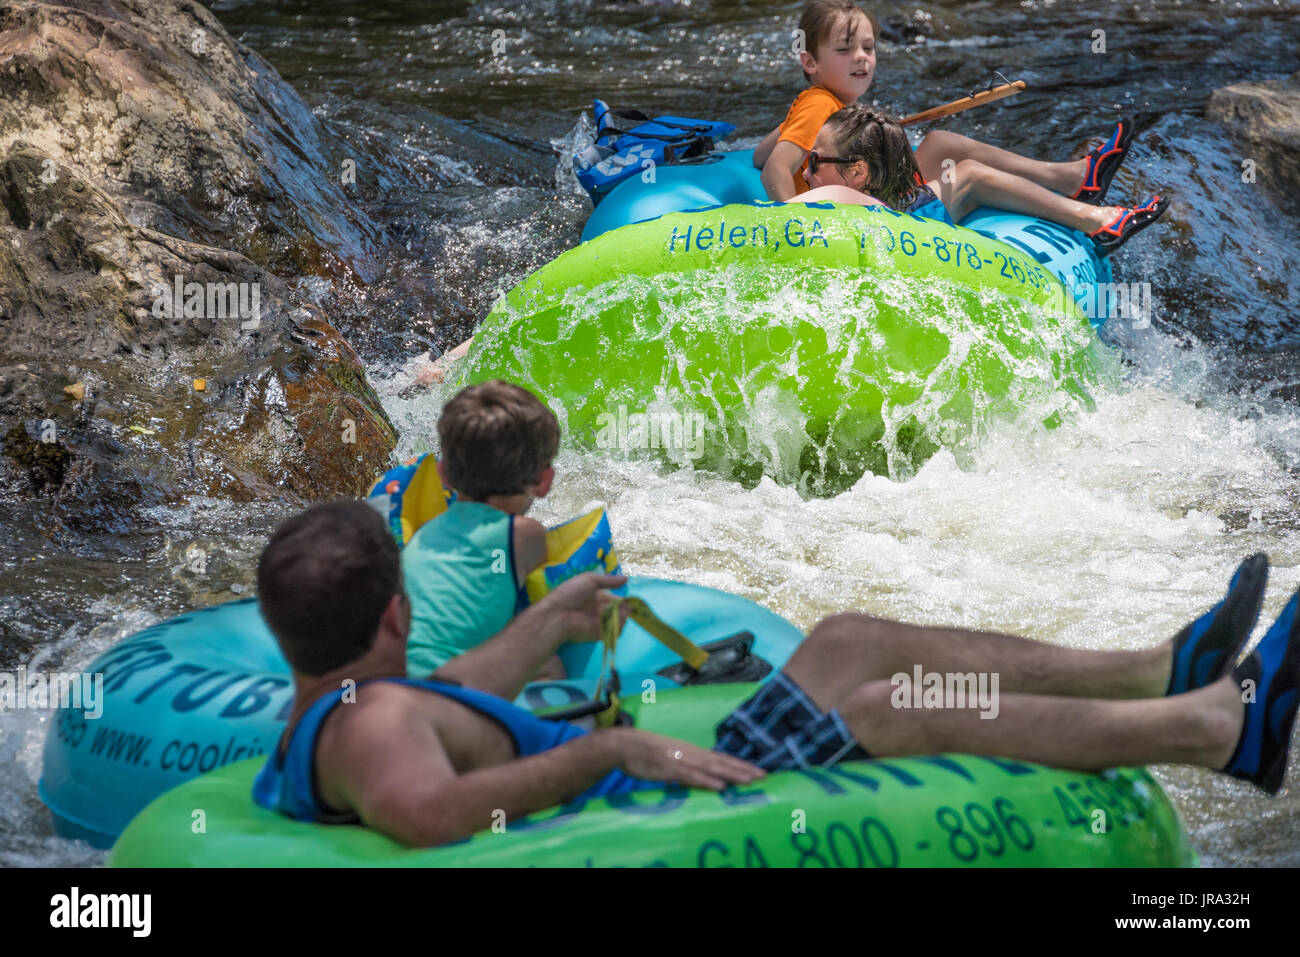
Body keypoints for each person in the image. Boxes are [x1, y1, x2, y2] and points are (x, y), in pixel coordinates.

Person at [252, 499, 1299, 847]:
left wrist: (553, 620)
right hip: (644, 789)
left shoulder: (349, 698)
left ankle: (1153, 669)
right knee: (887, 706)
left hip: (642, 767)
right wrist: (609, 748)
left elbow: (462, 694)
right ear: (395, 613)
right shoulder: (369, 730)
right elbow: (429, 815)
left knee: (843, 636)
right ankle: (1214, 729)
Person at [754, 1, 1141, 219]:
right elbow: (773, 167)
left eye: (868, 48)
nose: (860, 59)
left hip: (859, 188)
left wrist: (789, 126)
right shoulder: (819, 104)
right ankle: (1071, 181)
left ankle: (1070, 177)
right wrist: (792, 225)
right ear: (810, 62)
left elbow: (758, 155)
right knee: (961, 166)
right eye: (844, 50)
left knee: (938, 142)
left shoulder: (821, 101)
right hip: (855, 204)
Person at [794, 105, 1168, 255]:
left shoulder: (833, 191)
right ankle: (1090, 206)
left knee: (942, 146)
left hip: (901, 220)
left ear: (858, 172)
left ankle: (1081, 191)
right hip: (898, 219)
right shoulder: (838, 189)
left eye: (813, 162)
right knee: (966, 174)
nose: (805, 171)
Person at [400, 381, 564, 679]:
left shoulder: (424, 532)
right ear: (544, 480)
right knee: (550, 663)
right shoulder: (524, 535)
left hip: (394, 676)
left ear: (444, 474)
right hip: (453, 688)